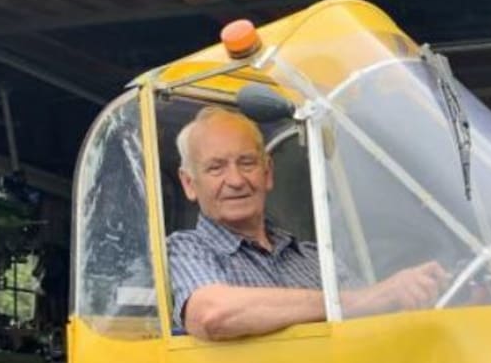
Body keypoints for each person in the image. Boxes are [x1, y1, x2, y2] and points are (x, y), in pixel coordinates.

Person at [168, 106, 448, 340]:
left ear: (267, 173)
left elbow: (373, 318)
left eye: (247, 163)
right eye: (216, 168)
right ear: (190, 184)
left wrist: (419, 293)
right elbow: (211, 315)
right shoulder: (184, 251)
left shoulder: (315, 258)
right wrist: (357, 301)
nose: (236, 180)